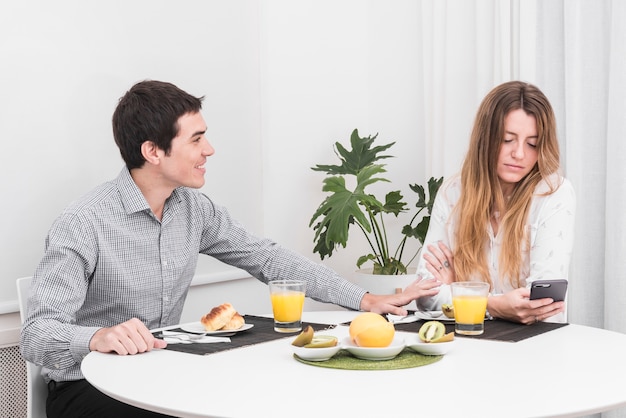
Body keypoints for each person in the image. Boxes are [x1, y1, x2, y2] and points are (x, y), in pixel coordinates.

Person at [20, 80, 440, 418]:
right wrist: (98, 336)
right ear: (153, 152)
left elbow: (267, 257)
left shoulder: (192, 209)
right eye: (197, 139)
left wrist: (365, 298)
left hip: (159, 373)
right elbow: (37, 335)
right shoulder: (84, 223)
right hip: (86, 389)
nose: (210, 150)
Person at [415, 80, 575, 325]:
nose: (519, 154)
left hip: (535, 349)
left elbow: (542, 305)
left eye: (532, 144)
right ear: (485, 139)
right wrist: (496, 305)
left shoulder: (553, 193)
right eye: (507, 139)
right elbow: (425, 295)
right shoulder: (453, 192)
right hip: (468, 345)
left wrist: (460, 290)